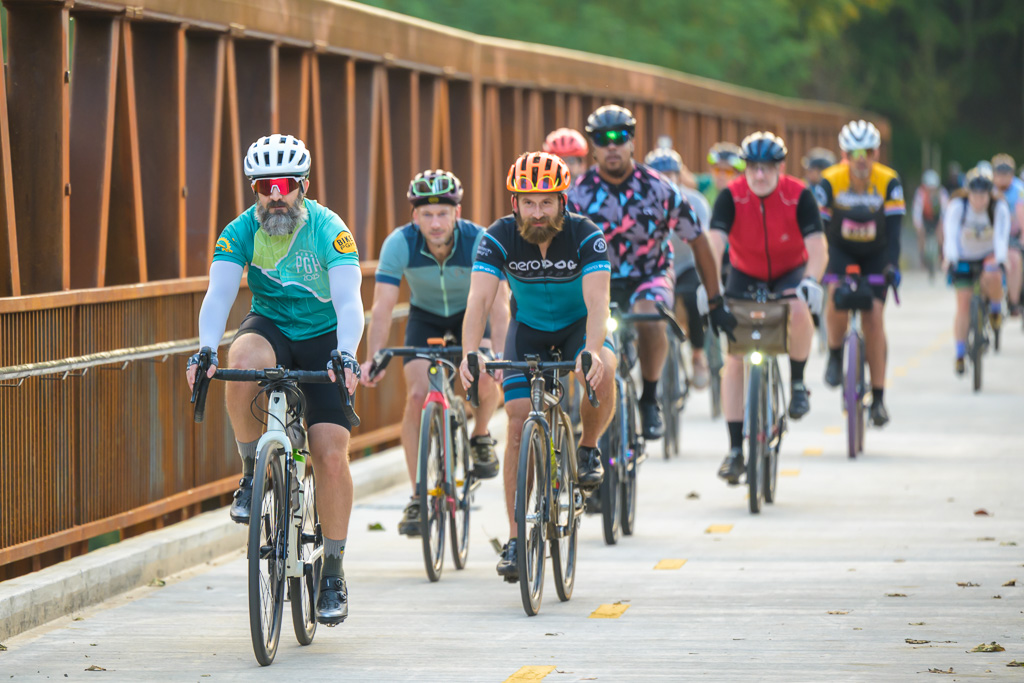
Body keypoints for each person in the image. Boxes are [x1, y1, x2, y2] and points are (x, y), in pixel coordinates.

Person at [185, 134, 362, 625]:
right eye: (266, 186)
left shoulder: (329, 229)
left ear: (303, 185)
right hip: (271, 327)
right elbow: (219, 293)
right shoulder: (240, 230)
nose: (276, 195)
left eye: (285, 185)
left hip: (325, 336)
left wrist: (347, 354)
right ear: (255, 191)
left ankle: (332, 571)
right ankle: (251, 474)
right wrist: (205, 348)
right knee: (241, 356)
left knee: (330, 453)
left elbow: (350, 300)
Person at [459, 151, 617, 581]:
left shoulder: (586, 235)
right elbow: (479, 299)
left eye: (547, 202)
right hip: (528, 330)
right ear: (515, 203)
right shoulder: (497, 236)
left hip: (579, 327)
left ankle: (587, 447)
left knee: (603, 367)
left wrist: (592, 349)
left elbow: (598, 302)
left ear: (563, 201)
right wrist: (470, 351)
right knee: (516, 423)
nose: (538, 212)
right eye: (528, 202)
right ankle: (516, 539)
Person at [360, 169, 509, 537]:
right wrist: (374, 356)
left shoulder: (479, 240)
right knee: (416, 397)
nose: (436, 223)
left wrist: (500, 353)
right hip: (425, 319)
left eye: (443, 213)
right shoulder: (400, 243)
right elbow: (382, 307)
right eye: (427, 215)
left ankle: (481, 434)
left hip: (471, 315)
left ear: (457, 212)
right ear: (415, 217)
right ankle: (417, 496)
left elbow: (499, 304)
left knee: (485, 376)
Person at [568, 105, 728, 439]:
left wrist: (715, 301)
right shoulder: (576, 194)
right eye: (602, 139)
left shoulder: (659, 188)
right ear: (593, 147)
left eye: (620, 136)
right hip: (597, 280)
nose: (612, 145)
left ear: (632, 141)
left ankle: (650, 398)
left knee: (651, 316)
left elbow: (698, 240)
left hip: (649, 275)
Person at [707, 132, 825, 484]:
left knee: (799, 307)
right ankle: (734, 450)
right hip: (744, 273)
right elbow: (714, 243)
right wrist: (711, 289)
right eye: (753, 168)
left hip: (790, 271)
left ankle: (798, 383)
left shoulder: (799, 195)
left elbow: (817, 246)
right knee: (734, 358)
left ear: (780, 168)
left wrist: (811, 280)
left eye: (767, 168)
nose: (759, 175)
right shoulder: (730, 196)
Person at [819, 120, 904, 427]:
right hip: (840, 249)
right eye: (854, 153)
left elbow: (894, 232)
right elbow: (819, 229)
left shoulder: (889, 181)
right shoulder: (829, 181)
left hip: (876, 253)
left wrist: (892, 266)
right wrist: (821, 266)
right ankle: (834, 353)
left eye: (867, 152)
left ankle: (878, 398)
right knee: (836, 295)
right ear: (844, 154)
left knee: (874, 317)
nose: (861, 159)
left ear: (876, 153)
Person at [645, 146, 712, 389]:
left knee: (692, 297)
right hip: (656, 267)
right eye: (659, 175)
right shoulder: (640, 202)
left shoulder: (695, 201)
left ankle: (698, 355)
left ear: (679, 175)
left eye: (670, 174)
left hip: (686, 264)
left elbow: (703, 240)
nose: (666, 180)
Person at [944, 166, 1010, 374]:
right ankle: (960, 353)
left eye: (984, 195)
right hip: (964, 257)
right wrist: (951, 259)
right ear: (968, 193)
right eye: (975, 195)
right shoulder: (958, 206)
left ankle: (995, 309)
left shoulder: (998, 208)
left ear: (990, 194)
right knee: (963, 304)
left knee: (993, 274)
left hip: (988, 255)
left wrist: (1001, 260)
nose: (979, 200)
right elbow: (950, 235)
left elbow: (1001, 237)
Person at [990, 154, 1024, 316]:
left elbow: (1022, 215)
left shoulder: (1019, 190)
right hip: (990, 234)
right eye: (1000, 174)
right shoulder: (987, 188)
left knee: (1014, 260)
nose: (1003, 179)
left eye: (1006, 175)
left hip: (1012, 234)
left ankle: (1014, 301)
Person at [912, 169, 949, 281]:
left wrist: (942, 226)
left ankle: (942, 256)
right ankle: (922, 257)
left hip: (938, 218)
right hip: (925, 218)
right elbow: (917, 211)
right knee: (921, 235)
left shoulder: (942, 193)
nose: (931, 190)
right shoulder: (920, 193)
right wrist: (919, 227)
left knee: (941, 236)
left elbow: (945, 211)